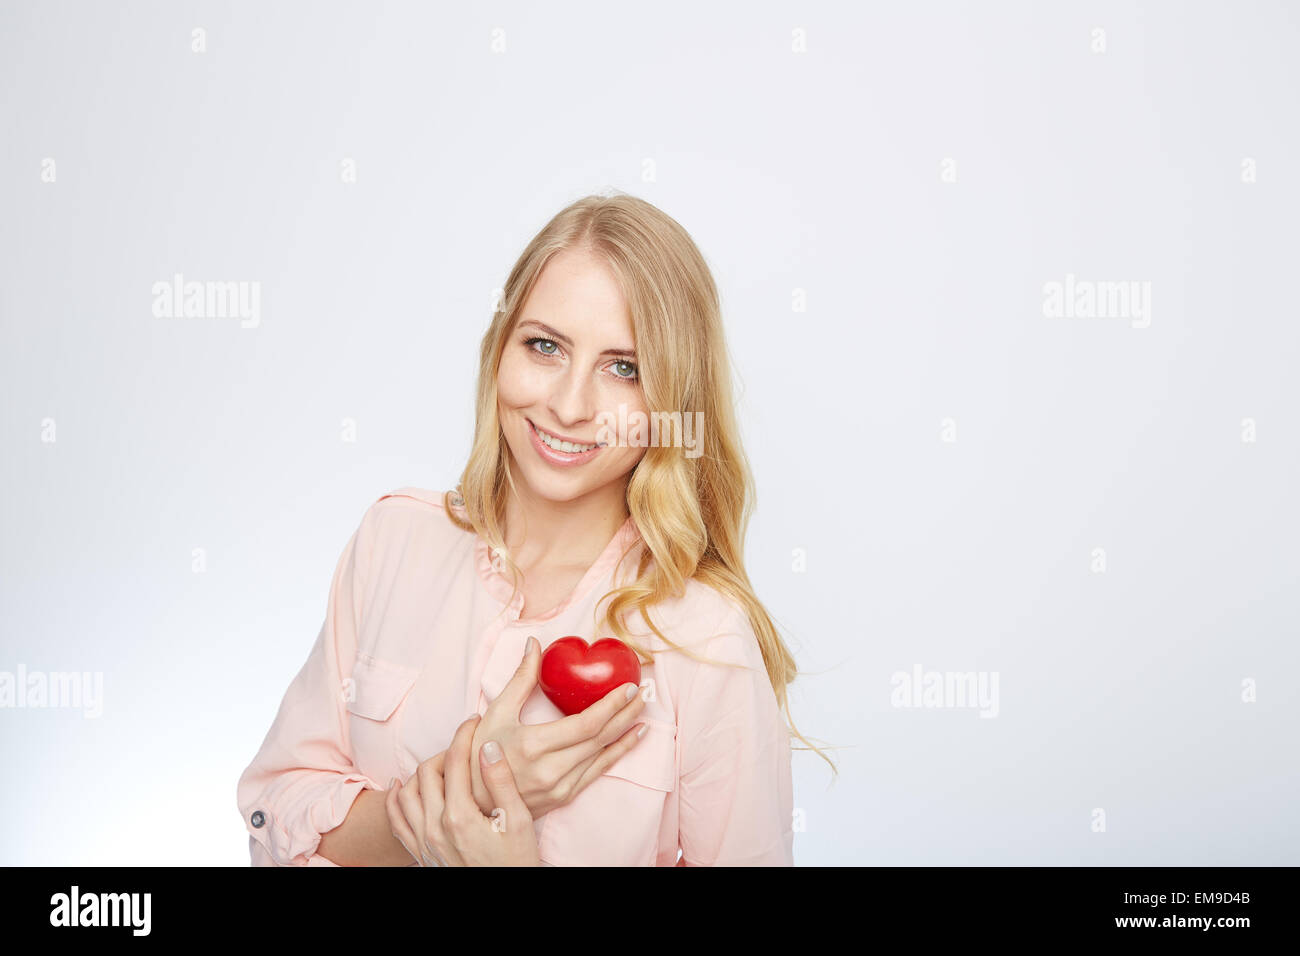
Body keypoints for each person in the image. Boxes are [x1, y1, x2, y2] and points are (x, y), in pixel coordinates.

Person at [236, 192, 834, 867]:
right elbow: (275, 811)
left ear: (671, 401)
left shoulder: (706, 640)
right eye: (544, 346)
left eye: (623, 368)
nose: (569, 405)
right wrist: (480, 790)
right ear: (500, 348)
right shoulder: (392, 540)